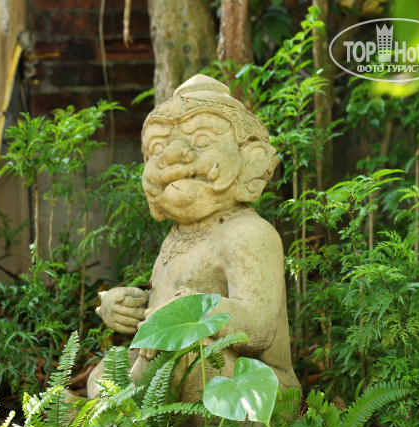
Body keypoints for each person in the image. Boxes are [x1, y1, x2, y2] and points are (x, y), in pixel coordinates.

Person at [91, 74, 300, 399]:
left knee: (177, 349)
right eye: (157, 147)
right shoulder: (176, 237)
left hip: (254, 385)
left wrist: (193, 310)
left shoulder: (248, 232)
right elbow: (162, 309)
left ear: (251, 160)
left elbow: (258, 327)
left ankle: (121, 418)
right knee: (106, 369)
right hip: (182, 367)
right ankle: (119, 418)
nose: (173, 154)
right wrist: (122, 306)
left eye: (202, 140)